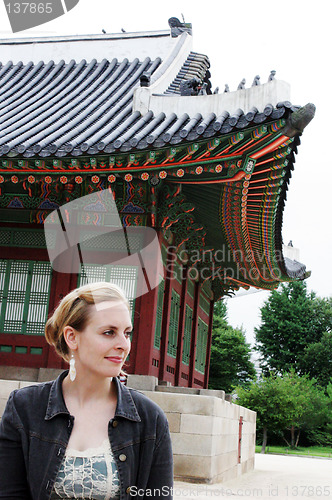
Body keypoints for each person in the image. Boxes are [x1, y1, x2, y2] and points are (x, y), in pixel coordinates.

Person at [0, 282, 173, 499]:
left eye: (127, 333)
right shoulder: (25, 407)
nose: (124, 344)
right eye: (109, 332)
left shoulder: (150, 419)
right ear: (72, 337)